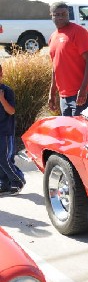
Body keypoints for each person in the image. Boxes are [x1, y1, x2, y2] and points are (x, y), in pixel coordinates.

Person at [48, 2, 88, 116]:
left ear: (68, 14)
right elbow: (55, 67)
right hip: (64, 96)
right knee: (69, 131)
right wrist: (52, 93)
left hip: (84, 93)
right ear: (51, 15)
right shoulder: (53, 37)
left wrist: (83, 89)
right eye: (57, 14)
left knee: (84, 132)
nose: (61, 17)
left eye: (64, 14)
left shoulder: (79, 32)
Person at [0, 65, 25, 196]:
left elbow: (11, 111)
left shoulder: (6, 91)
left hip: (4, 131)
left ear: (1, 75)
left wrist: (2, 99)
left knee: (4, 158)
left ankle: (18, 181)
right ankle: (4, 183)